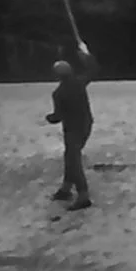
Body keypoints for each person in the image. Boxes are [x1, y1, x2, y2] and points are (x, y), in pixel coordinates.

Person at [44, 47, 96, 210]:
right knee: (70, 157)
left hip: (72, 129)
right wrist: (87, 57)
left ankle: (83, 196)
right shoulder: (79, 82)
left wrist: (49, 118)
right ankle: (66, 188)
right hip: (86, 124)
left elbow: (58, 116)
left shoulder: (59, 93)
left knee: (73, 160)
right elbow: (94, 70)